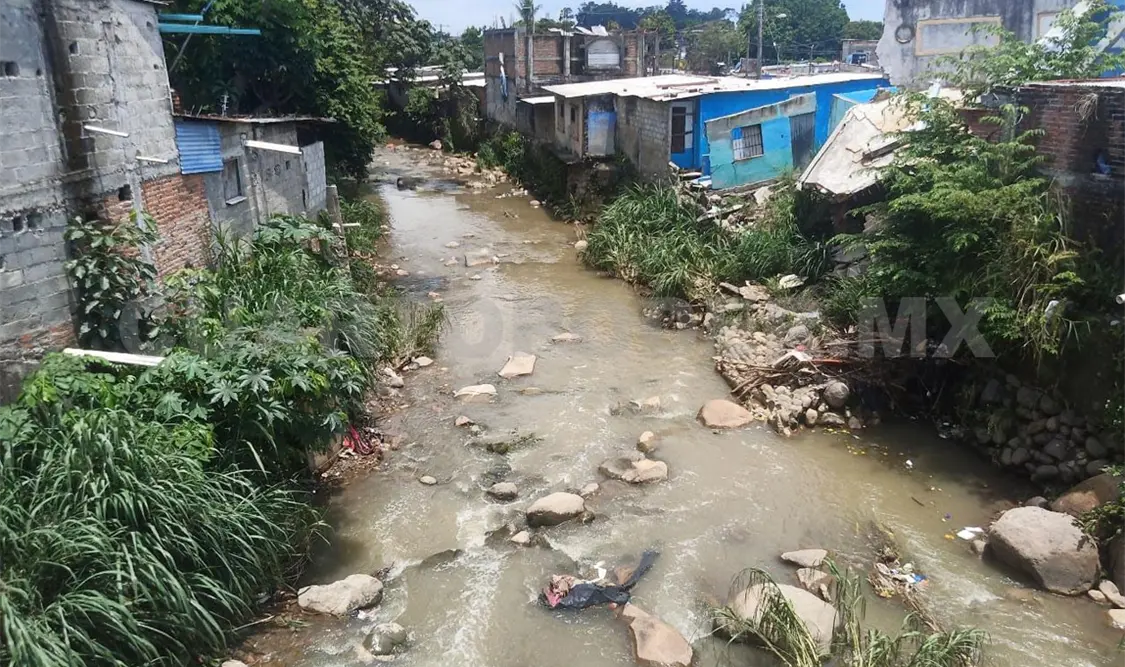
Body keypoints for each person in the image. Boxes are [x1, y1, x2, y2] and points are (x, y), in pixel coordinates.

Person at [540, 550, 658, 610]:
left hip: (594, 584)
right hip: (595, 585)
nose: (557, 592)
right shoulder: (571, 597)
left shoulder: (563, 584)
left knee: (621, 581)